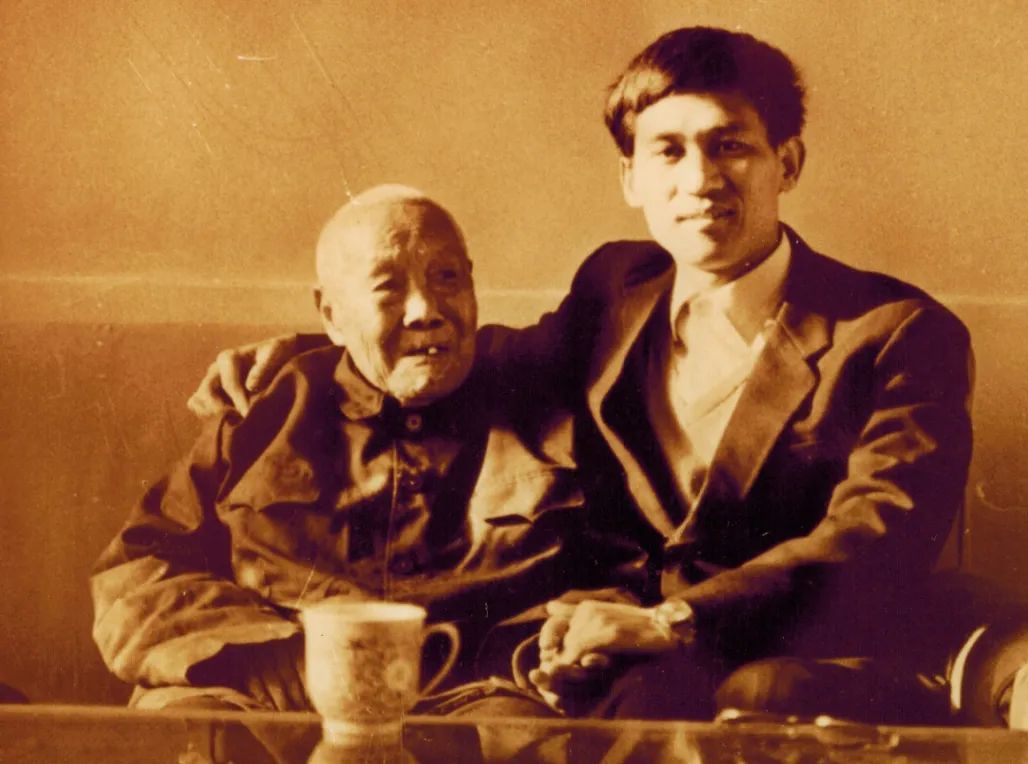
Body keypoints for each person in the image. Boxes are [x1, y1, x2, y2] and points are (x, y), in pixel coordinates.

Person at [188, 27, 974, 723]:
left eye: (730, 145)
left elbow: (877, 541)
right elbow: (483, 353)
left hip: (797, 660)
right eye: (668, 151)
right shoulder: (615, 290)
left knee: (728, 697)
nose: (701, 180)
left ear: (787, 163)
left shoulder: (898, 334)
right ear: (631, 178)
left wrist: (673, 622)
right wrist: (309, 354)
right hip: (618, 659)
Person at [91, 185, 600, 712]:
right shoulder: (266, 408)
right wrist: (272, 655)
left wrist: (559, 642)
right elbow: (138, 568)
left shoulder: (541, 400)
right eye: (388, 287)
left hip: (472, 699)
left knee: (523, 736)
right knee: (189, 726)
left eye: (447, 277)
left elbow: (619, 572)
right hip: (271, 693)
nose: (426, 309)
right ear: (332, 314)